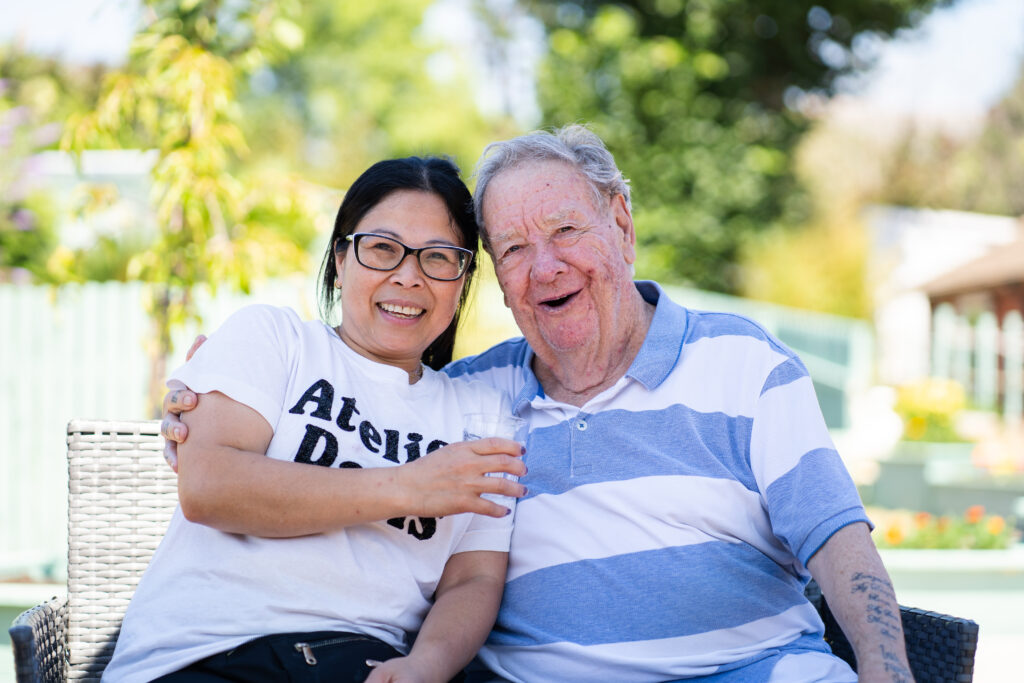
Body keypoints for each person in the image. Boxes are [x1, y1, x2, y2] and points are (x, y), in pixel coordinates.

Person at [164, 126, 913, 682]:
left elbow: (837, 539)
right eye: (514, 248)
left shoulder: (744, 361)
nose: (545, 265)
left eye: (564, 231)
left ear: (620, 224)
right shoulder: (482, 398)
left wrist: (889, 675)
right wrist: (200, 399)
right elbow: (255, 453)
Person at [103, 156, 527, 683]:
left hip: (360, 665)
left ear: (462, 281)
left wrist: (427, 664)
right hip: (205, 652)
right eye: (382, 249)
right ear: (340, 259)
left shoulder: (481, 413)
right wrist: (407, 487)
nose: (408, 276)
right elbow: (210, 488)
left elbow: (474, 578)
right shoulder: (274, 340)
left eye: (439, 258)